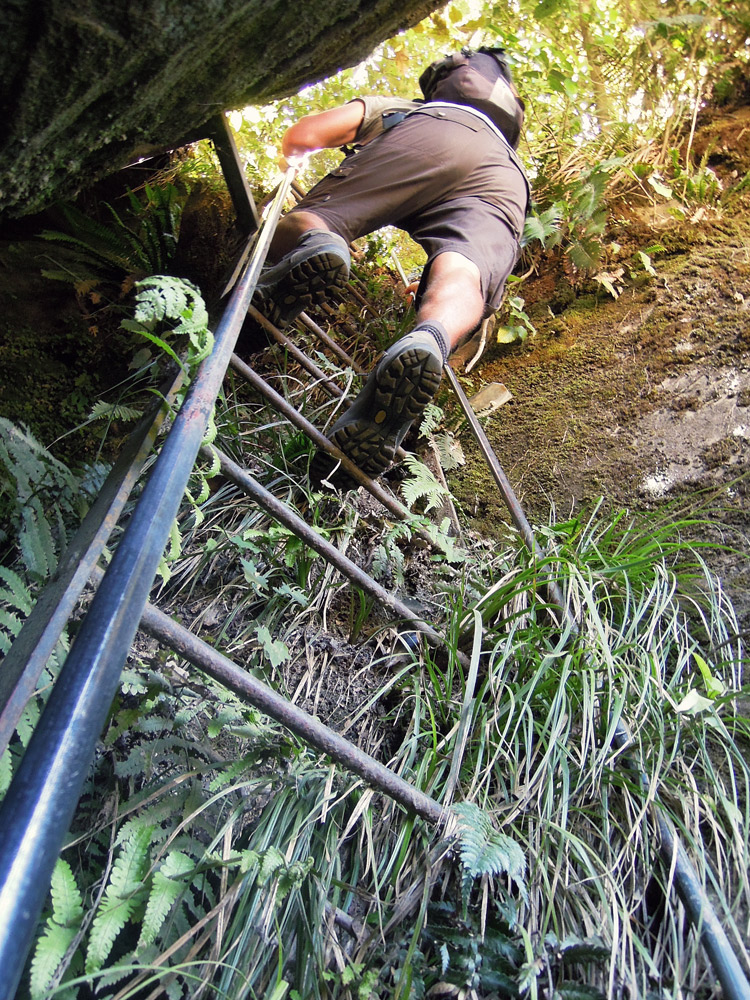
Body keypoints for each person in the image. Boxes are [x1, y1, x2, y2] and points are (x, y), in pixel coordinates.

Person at [248, 47, 531, 485]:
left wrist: (292, 151)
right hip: (507, 181)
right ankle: (431, 337)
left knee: (324, 218)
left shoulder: (411, 109)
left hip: (432, 132)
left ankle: (316, 245)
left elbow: (307, 134)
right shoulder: (506, 150)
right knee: (464, 269)